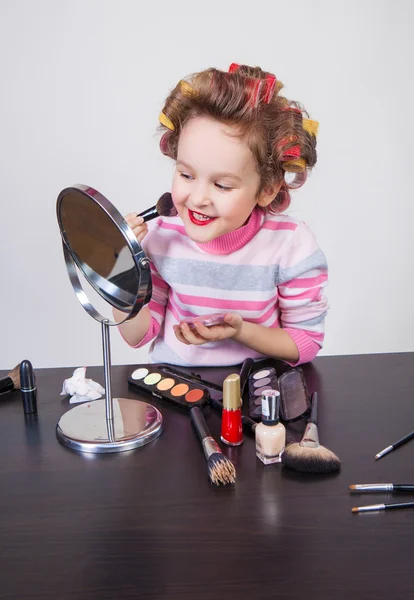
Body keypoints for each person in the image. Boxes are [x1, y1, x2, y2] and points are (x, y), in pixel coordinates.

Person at [115, 63, 328, 367]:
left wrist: (241, 332)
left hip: (256, 392)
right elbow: (138, 336)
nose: (198, 198)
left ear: (266, 189)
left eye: (222, 185)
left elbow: (305, 343)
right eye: (186, 175)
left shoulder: (290, 245)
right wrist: (123, 276)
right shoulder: (162, 237)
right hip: (173, 389)